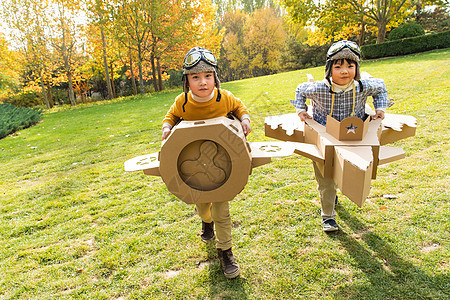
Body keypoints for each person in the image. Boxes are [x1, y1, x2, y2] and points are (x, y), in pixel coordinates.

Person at [162, 47, 251, 278]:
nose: (203, 82)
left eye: (208, 76)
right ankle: (206, 221)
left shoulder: (224, 97)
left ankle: (225, 252)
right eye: (196, 77)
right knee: (203, 207)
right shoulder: (182, 102)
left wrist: (245, 119)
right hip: (194, 168)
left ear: (215, 78)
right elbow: (170, 116)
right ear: (187, 81)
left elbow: (239, 107)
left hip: (221, 168)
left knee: (222, 210)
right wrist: (167, 127)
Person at [290, 40, 389, 232]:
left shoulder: (362, 86)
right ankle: (328, 216)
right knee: (326, 178)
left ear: (357, 68)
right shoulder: (318, 88)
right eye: (338, 66)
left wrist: (380, 108)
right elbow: (300, 90)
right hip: (324, 137)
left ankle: (334, 192)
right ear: (329, 69)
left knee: (346, 170)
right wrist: (301, 110)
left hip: (353, 136)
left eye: (350, 66)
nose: (345, 71)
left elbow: (381, 87)